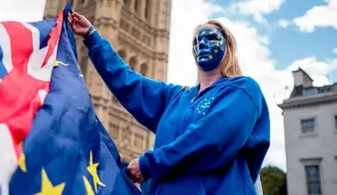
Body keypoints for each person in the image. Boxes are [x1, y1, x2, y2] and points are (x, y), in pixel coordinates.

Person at [68, 12, 270, 195]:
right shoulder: (176, 97)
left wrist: (149, 164)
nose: (203, 44)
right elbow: (129, 82)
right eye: (197, 41)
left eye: (211, 38)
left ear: (228, 47)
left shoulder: (242, 89)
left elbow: (213, 138)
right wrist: (92, 37)